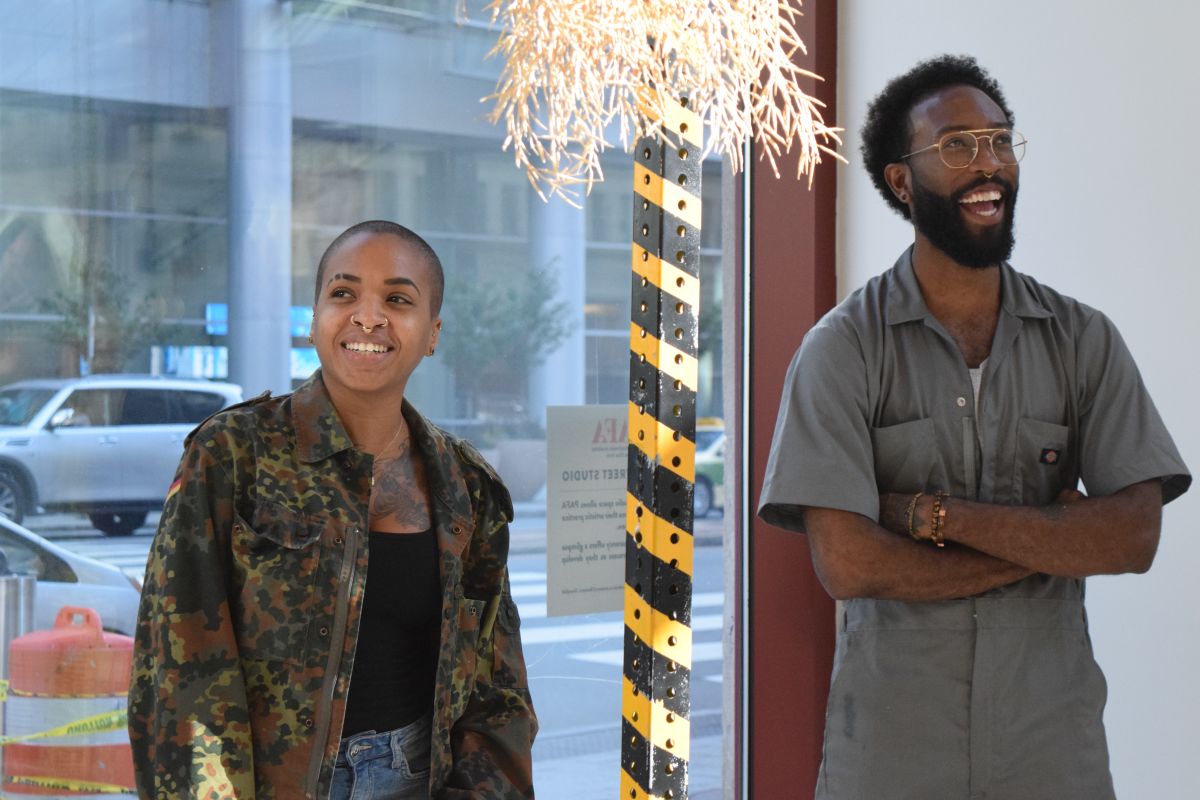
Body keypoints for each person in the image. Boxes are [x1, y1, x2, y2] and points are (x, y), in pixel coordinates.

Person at [758, 56, 1190, 800]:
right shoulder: (842, 349)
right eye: (957, 144)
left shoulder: (1083, 339)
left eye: (999, 139)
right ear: (902, 181)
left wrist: (933, 518)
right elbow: (851, 565)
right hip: (893, 756)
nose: (988, 163)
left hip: (1054, 754)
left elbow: (1132, 538)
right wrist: (1053, 541)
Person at [129, 220, 537, 799]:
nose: (368, 317)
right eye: (343, 293)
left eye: (398, 300)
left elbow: (498, 690)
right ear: (315, 318)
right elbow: (177, 672)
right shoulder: (233, 453)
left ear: (432, 333)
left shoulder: (465, 484)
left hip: (420, 778)